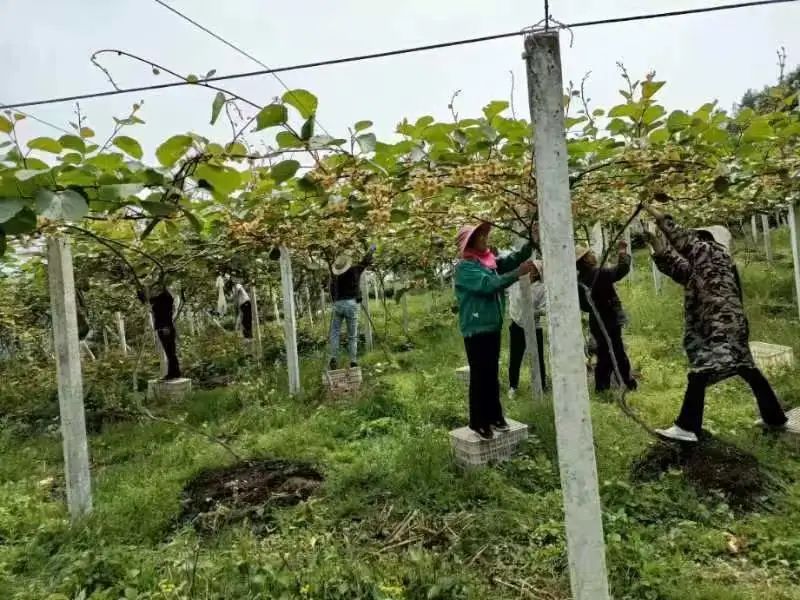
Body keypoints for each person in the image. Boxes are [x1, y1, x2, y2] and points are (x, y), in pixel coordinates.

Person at [644, 204, 799, 442]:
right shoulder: (711, 263)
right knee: (747, 369)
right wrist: (656, 244)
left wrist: (658, 215)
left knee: (702, 371)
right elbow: (679, 269)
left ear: (706, 238)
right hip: (729, 324)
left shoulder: (709, 251)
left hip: (719, 325)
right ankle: (775, 417)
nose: (695, 239)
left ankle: (687, 426)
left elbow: (683, 240)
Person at [454, 221, 535, 439]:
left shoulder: (486, 263)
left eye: (484, 236)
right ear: (469, 244)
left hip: (491, 326)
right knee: (480, 375)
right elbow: (488, 285)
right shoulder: (465, 268)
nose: (485, 240)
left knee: (491, 373)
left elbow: (511, 260)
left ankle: (495, 415)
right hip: (476, 329)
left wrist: (530, 243)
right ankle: (478, 421)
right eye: (479, 237)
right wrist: (518, 273)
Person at [576, 239, 636, 392]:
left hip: (596, 320)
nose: (592, 255)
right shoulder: (599, 273)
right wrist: (622, 251)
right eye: (589, 254)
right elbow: (622, 269)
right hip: (610, 317)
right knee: (616, 350)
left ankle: (602, 386)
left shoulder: (579, 282)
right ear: (586, 259)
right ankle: (625, 383)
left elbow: (584, 306)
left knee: (605, 352)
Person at [328, 244, 376, 370]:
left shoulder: (335, 276)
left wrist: (336, 302)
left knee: (334, 333)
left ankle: (333, 357)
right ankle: (353, 361)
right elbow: (365, 261)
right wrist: (371, 249)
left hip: (338, 304)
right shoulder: (355, 270)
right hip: (351, 304)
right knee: (352, 335)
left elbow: (331, 291)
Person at [507, 260, 547, 396]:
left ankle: (542, 386)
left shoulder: (541, 287)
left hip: (534, 327)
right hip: (517, 325)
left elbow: (545, 308)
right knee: (515, 357)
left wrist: (534, 312)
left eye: (533, 268)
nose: (530, 270)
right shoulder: (516, 283)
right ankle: (513, 386)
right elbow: (511, 298)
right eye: (529, 267)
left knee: (538, 358)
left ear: (537, 272)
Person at [137, 280, 181, 380]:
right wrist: (139, 290)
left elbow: (165, 314)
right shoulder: (160, 298)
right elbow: (147, 300)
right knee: (169, 352)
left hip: (166, 327)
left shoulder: (166, 298)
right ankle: (174, 372)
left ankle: (174, 373)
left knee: (170, 352)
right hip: (163, 327)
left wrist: (166, 327)